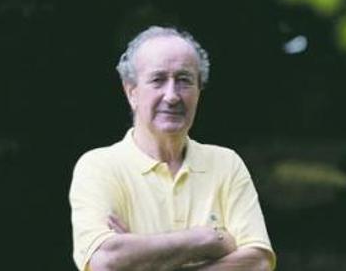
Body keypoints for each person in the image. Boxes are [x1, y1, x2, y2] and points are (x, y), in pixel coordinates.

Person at [69, 26, 275, 271]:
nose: (172, 96)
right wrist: (207, 239)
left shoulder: (226, 163)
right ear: (131, 91)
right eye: (158, 80)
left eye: (184, 80)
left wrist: (141, 258)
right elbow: (107, 261)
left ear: (199, 90)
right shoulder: (99, 167)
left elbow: (259, 263)